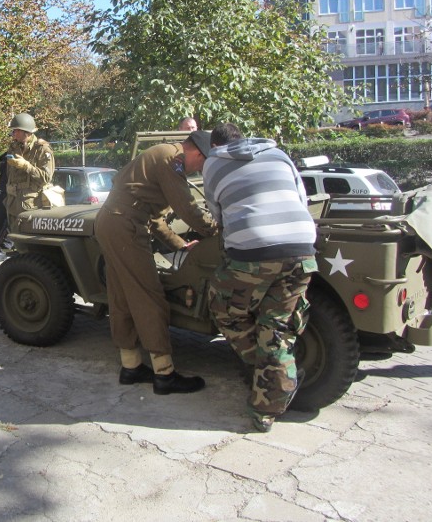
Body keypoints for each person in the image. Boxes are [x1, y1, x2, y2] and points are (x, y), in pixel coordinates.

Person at [202, 132, 317, 433]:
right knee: (276, 325)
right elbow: (302, 198)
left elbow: (217, 212)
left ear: (215, 145)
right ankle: (268, 403)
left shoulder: (213, 162)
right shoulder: (279, 155)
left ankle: (278, 372)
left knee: (222, 305)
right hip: (302, 248)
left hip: (254, 251)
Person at [94, 130, 218, 395]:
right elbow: (186, 207)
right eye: (204, 163)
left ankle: (131, 367)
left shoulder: (160, 156)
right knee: (149, 297)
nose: (202, 169)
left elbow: (156, 218)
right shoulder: (171, 160)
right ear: (197, 153)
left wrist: (179, 245)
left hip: (112, 221)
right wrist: (216, 229)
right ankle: (164, 375)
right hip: (125, 226)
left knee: (122, 297)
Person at [4, 113, 55, 231]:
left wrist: (26, 166)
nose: (13, 134)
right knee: (15, 239)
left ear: (25, 132)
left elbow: (46, 177)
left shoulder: (42, 149)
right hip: (13, 203)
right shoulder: (14, 147)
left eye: (15, 131)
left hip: (31, 206)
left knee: (29, 241)